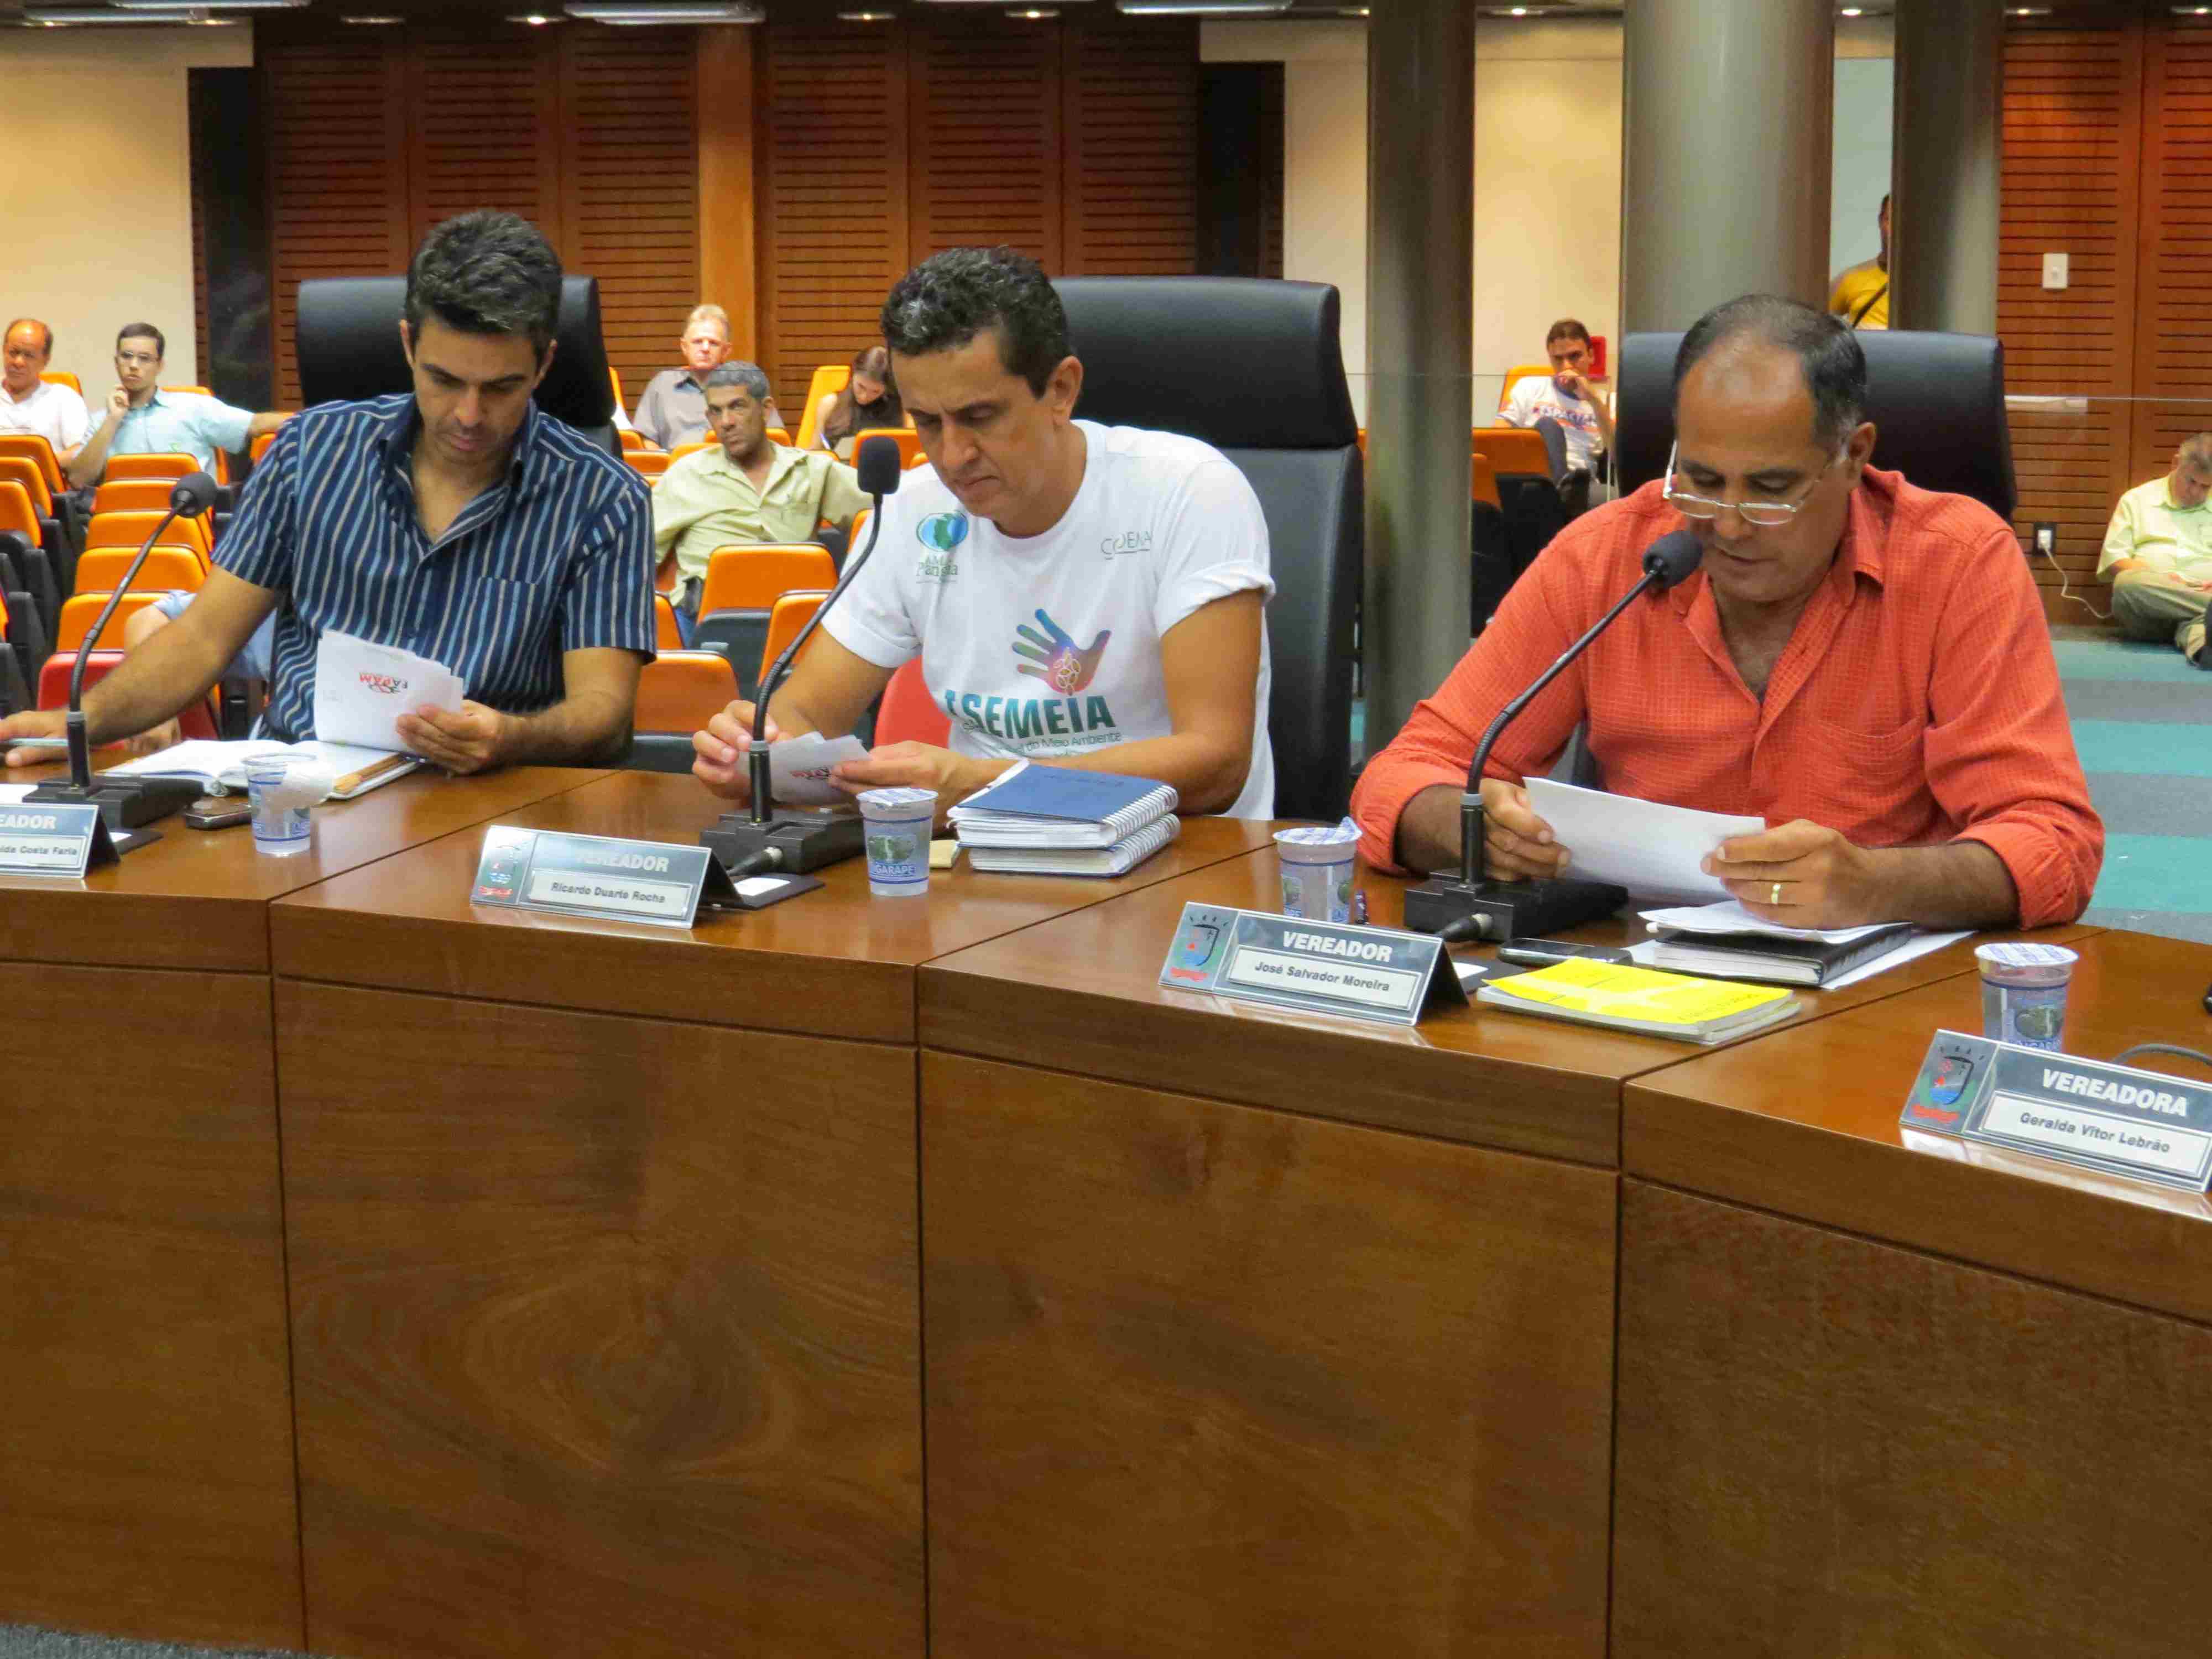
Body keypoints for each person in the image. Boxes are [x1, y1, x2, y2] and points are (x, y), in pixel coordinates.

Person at [1352, 293, 2103, 932]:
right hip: (1633, 976)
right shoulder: (1604, 556)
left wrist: (1877, 884)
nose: (1730, 526)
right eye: (1702, 482)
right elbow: (1400, 777)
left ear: (1853, 456)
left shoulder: (1956, 562)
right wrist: (1469, 827)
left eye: (1772, 490)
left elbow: (2052, 841)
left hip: (1872, 987)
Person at [3, 210, 654, 773]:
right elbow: (204, 638)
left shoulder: (603, 498)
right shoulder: (309, 453)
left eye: (501, 387)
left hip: (487, 802)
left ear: (544, 363)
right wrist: (77, 723)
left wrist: (512, 738)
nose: (468, 414)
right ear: (408, 345)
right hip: (303, 799)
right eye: (445, 380)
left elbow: (603, 714)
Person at [692, 243, 1276, 820]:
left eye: (979, 417)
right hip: (978, 856)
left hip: (1179, 852)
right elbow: (807, 712)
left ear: (1061, 390)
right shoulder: (911, 513)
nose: (953, 456)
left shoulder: (1188, 491)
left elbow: (1217, 763)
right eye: (927, 422)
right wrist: (757, 750)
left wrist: (985, 786)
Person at [653, 361, 872, 640]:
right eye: (716, 412)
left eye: (737, 406)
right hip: (705, 621)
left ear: (766, 409)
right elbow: (636, 556)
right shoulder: (686, 474)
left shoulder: (811, 470)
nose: (726, 422)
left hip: (797, 620)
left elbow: (886, 513)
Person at [64, 323, 290, 489]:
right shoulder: (101, 421)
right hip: (124, 522)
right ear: (116, 362)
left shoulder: (194, 408)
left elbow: (256, 424)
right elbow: (78, 480)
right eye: (127, 356)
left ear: (160, 366)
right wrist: (113, 420)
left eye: (144, 358)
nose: (133, 365)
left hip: (186, 521)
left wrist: (309, 418)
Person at [2098, 434, 2212, 666]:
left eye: (2206, 486)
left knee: (2199, 626)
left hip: (2193, 605)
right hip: (2150, 608)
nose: (2196, 492)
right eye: (2191, 481)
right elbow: (2115, 561)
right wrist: (2160, 578)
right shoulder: (2136, 500)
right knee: (2127, 584)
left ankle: (2203, 645)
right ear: (2175, 463)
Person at [630, 304, 779, 450]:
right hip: (675, 464)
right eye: (698, 342)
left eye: (713, 343)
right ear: (684, 347)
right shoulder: (662, 384)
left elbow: (775, 439)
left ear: (726, 351)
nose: (705, 348)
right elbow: (646, 441)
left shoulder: (749, 384)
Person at [1499, 319, 1615, 493]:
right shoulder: (1528, 387)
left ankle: (1563, 490)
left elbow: (1620, 457)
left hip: (1582, 487)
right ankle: (1561, 487)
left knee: (1617, 497)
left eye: (1574, 356)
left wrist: (1593, 400)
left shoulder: (1606, 402)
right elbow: (1498, 439)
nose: (1566, 366)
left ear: (1591, 356)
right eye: (1558, 359)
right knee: (1547, 425)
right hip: (1533, 482)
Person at [0, 319, 91, 467]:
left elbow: (83, 450)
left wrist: (36, 466)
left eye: (29, 355)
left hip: (44, 480)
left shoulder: (64, 398)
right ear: (4, 351)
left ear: (45, 361)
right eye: (13, 352)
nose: (18, 362)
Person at [808, 345, 904, 462]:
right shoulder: (830, 403)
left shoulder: (899, 407)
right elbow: (814, 452)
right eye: (861, 387)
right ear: (853, 374)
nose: (865, 396)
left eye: (875, 392)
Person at [1828, 194, 1891, 330]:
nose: (1897, 229)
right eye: (1890, 219)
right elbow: (1815, 323)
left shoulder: (1931, 284)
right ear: (1881, 222)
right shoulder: (1850, 278)